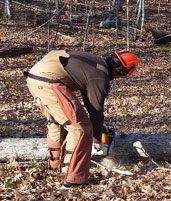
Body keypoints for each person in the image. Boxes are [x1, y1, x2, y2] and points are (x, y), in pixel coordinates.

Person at [24, 49, 138, 188]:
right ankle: (73, 177)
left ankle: (55, 166)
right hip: (49, 82)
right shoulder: (100, 77)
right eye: (123, 75)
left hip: (34, 78)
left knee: (57, 122)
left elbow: (89, 104)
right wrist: (96, 140)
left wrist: (100, 127)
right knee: (80, 128)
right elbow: (96, 111)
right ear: (121, 71)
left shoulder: (94, 63)